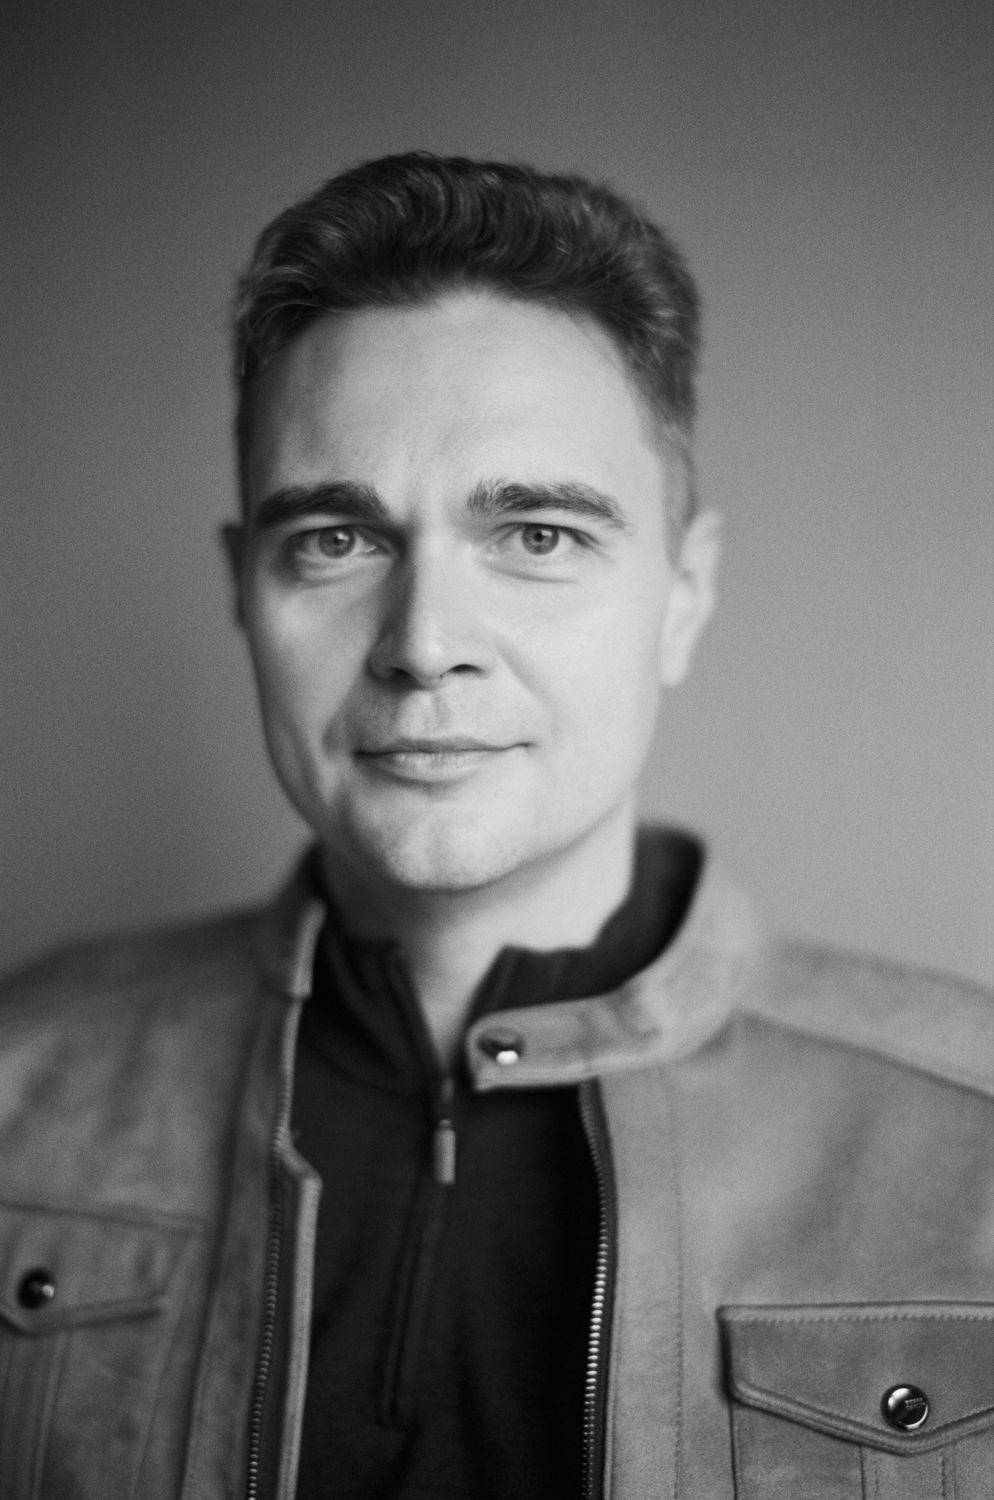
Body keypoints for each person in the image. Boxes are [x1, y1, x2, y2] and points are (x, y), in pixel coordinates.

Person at [1, 152, 991, 1500]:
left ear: (684, 593)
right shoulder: (21, 1085)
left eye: (535, 535)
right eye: (335, 540)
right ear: (244, 590)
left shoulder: (974, 1144)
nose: (423, 646)